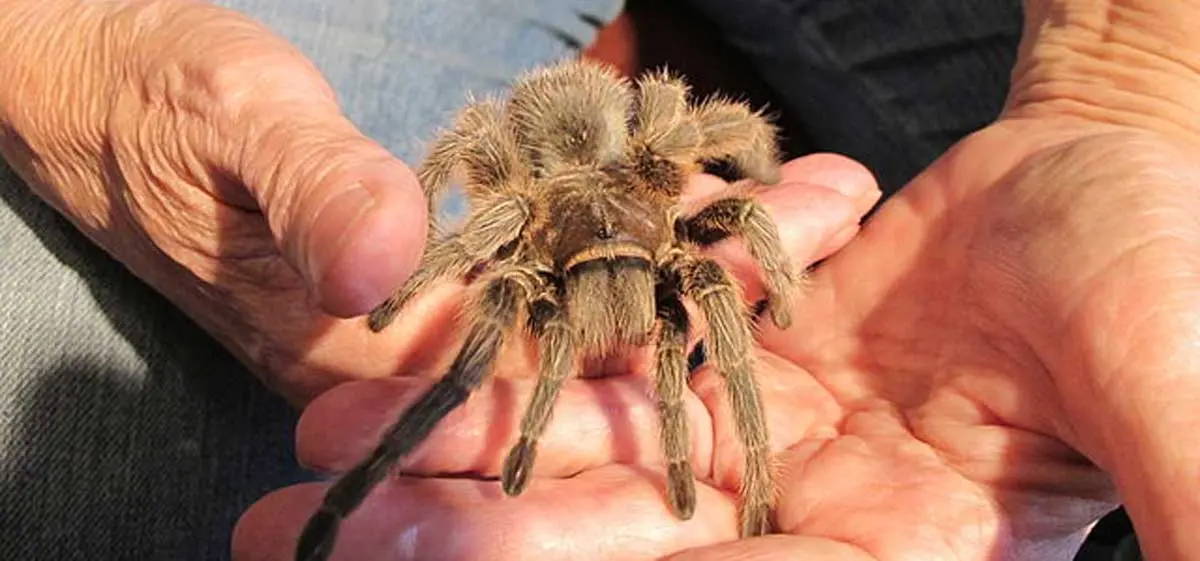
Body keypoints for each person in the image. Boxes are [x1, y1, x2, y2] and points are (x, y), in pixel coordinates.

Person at [1, 1, 1195, 561]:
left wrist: (1128, 79)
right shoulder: (525, 207)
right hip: (553, 172)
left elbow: (723, 147)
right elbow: (481, 187)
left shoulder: (677, 207)